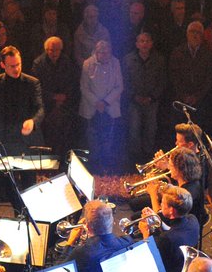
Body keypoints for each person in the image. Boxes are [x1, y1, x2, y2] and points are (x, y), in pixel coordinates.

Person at [0, 46, 45, 155]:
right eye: (12, 66)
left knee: (28, 171)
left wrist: (33, 122)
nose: (16, 69)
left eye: (18, 64)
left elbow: (40, 108)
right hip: (3, 138)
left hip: (25, 138)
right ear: (2, 65)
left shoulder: (32, 83)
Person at [70, 200, 132, 272]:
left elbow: (58, 270)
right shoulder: (127, 242)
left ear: (88, 227)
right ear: (113, 222)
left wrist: (70, 243)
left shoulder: (81, 253)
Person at [79, 40, 124, 170]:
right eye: (101, 52)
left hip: (109, 107)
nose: (105, 55)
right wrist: (96, 102)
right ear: (96, 52)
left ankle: (106, 162)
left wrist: (105, 102)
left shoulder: (115, 63)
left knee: (108, 137)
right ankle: (94, 163)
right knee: (92, 136)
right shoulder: (87, 64)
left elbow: (119, 86)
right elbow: (84, 87)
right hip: (92, 108)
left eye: (107, 52)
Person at [124, 31, 167, 164]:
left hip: (152, 100)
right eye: (141, 41)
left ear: (151, 44)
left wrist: (152, 97)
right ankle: (135, 157)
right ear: (137, 44)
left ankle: (148, 155)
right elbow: (125, 80)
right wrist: (134, 96)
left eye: (147, 41)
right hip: (134, 100)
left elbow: (162, 80)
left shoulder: (159, 59)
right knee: (134, 128)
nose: (144, 44)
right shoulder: (128, 59)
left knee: (151, 128)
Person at [32, 36, 80, 154]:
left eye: (57, 50)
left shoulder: (67, 62)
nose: (54, 53)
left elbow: (72, 83)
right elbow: (36, 87)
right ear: (46, 50)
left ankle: (64, 156)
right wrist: (53, 97)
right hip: (46, 103)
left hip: (65, 102)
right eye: (51, 50)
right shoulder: (38, 64)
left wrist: (63, 97)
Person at [140, 186, 200, 272]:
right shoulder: (193, 219)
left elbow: (151, 257)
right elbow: (173, 229)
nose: (160, 205)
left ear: (171, 210)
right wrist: (157, 219)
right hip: (185, 263)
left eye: (163, 203)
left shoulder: (167, 238)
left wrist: (145, 232)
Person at [169, 21, 212, 123]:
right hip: (181, 100)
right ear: (187, 34)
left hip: (200, 101)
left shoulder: (207, 54)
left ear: (202, 36)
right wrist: (184, 95)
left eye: (198, 32)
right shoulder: (177, 52)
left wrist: (197, 96)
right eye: (192, 31)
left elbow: (209, 78)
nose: (195, 35)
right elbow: (174, 76)